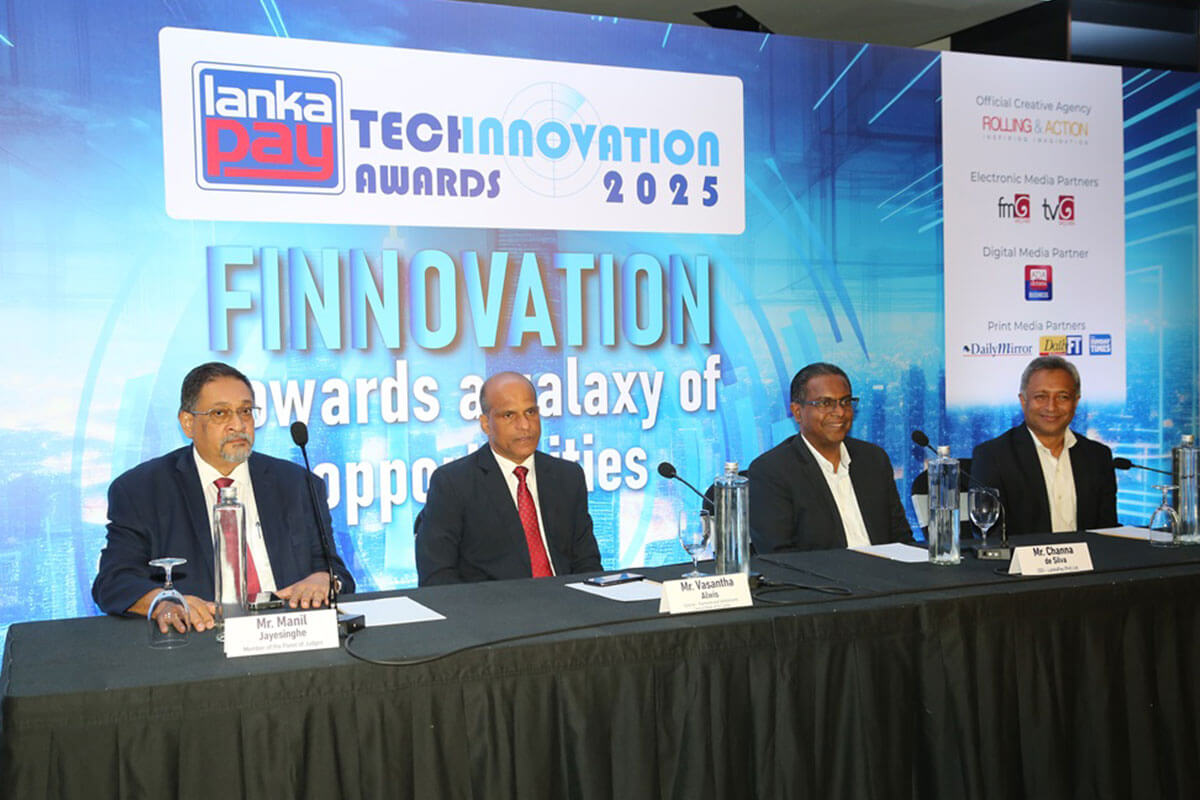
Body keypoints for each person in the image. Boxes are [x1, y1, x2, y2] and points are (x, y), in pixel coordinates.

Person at [92, 362, 355, 632]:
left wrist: (326, 579)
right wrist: (163, 602)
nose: (238, 425)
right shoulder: (141, 490)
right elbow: (113, 581)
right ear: (188, 423)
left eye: (245, 411)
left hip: (292, 634)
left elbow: (334, 569)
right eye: (220, 413)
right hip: (201, 640)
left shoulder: (297, 483)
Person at [416, 371, 602, 585]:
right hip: (494, 604)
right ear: (486, 424)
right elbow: (437, 578)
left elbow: (588, 565)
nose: (525, 425)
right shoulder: (453, 483)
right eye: (509, 415)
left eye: (530, 412)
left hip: (568, 601)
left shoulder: (567, 477)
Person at [748, 362, 912, 552]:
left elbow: (902, 539)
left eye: (845, 402)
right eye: (825, 403)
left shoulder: (873, 459)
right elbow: (779, 554)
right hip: (817, 572)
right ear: (797, 412)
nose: (840, 412)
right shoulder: (772, 471)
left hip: (885, 569)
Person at [971, 355, 1118, 536]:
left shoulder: (1098, 456)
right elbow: (989, 535)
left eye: (1062, 397)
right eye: (1041, 397)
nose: (1051, 407)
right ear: (1023, 401)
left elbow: (1106, 531)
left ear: (1075, 402)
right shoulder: (993, 456)